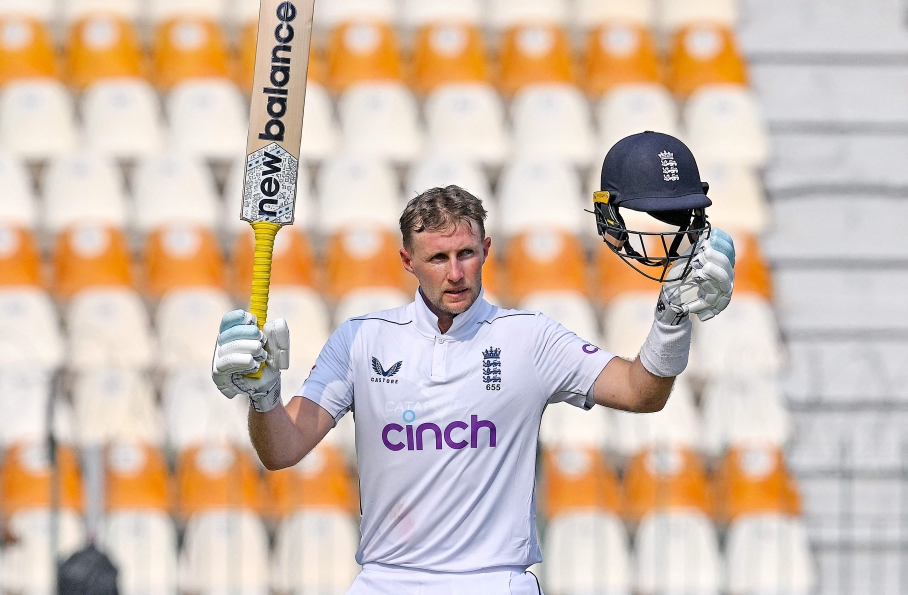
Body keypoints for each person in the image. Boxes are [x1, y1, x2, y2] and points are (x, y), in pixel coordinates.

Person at [212, 133, 735, 594]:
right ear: (407, 261)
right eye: (438, 258)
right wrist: (264, 398)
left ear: (485, 249)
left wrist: (671, 320)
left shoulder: (529, 338)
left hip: (494, 580)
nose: (455, 273)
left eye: (466, 254)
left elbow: (641, 393)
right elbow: (282, 448)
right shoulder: (361, 340)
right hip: (387, 579)